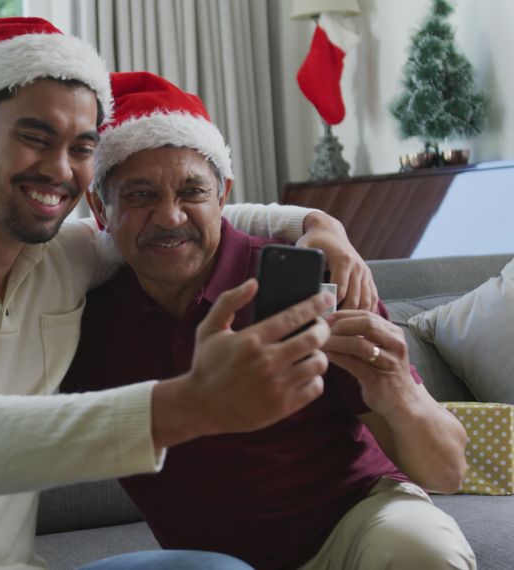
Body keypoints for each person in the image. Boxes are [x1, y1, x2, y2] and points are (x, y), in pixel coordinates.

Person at [0, 17, 367, 569]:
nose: (59, 170)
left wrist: (316, 223)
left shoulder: (63, 257)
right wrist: (188, 404)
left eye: (82, 147)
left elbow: (175, 222)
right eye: (35, 137)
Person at [61, 71, 476, 570]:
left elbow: (447, 472)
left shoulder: (316, 281)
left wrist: (399, 392)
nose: (170, 217)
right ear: (99, 208)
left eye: (193, 191)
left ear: (223, 196)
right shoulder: (82, 311)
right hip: (212, 563)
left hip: (355, 527)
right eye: (140, 195)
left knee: (421, 551)